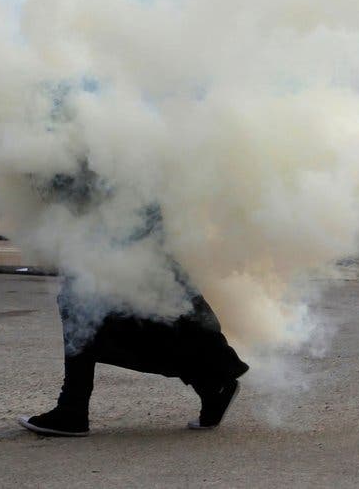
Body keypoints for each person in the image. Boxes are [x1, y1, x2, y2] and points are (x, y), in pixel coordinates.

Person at [18, 167, 249, 437]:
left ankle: (72, 409)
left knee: (87, 304)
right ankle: (212, 382)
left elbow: (69, 174)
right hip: (122, 209)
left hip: (118, 212)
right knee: (143, 312)